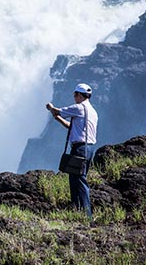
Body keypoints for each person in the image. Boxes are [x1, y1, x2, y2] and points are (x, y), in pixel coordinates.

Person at [46, 83, 98, 218]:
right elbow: (72, 126)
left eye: (75, 94)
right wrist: (58, 119)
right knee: (76, 178)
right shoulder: (92, 111)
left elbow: (57, 110)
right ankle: (78, 211)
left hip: (80, 148)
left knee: (79, 180)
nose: (74, 97)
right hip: (88, 148)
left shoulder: (79, 108)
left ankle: (86, 215)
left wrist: (51, 108)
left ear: (80, 95)